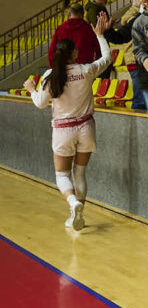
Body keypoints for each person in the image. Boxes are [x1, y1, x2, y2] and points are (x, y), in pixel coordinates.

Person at [25, 12, 112, 230]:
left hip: (63, 131)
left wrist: (31, 89)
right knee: (79, 173)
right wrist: (100, 36)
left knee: (62, 174)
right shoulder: (86, 70)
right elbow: (107, 58)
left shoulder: (50, 75)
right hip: (86, 127)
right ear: (74, 53)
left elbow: (40, 103)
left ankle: (73, 204)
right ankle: (78, 215)